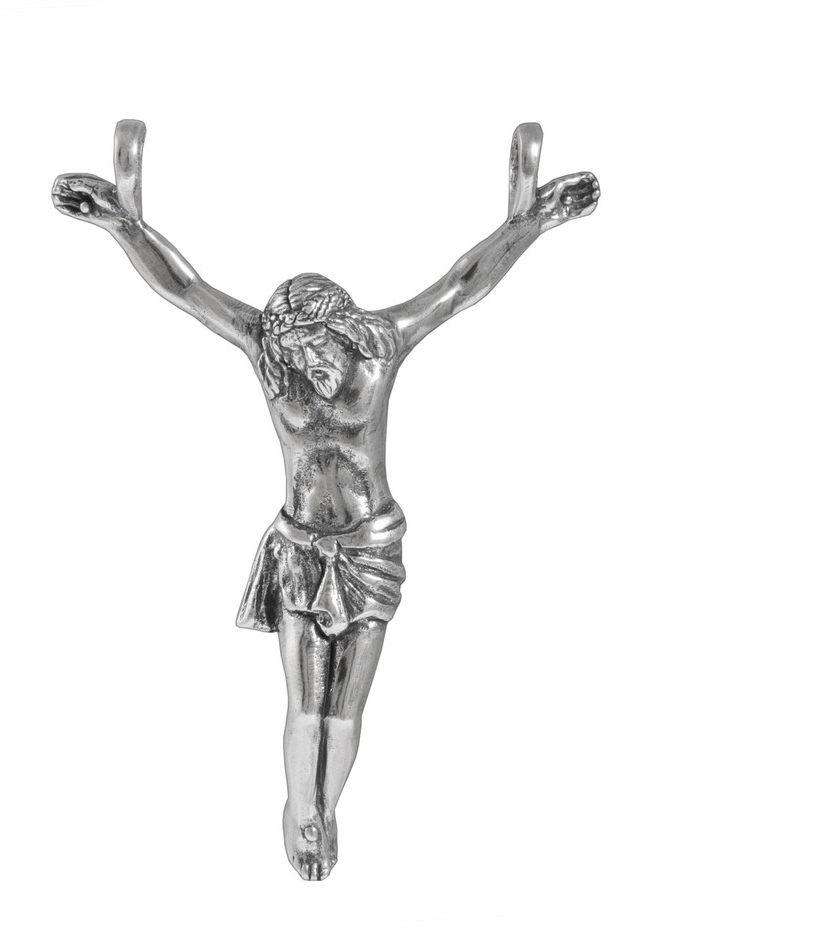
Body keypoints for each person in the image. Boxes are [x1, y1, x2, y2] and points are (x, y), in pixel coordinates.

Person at [52, 120, 599, 879]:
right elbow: (186, 291)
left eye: (307, 349)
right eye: (286, 352)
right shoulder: (267, 351)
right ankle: (300, 810)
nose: (295, 364)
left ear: (337, 330)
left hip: (370, 549)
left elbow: (460, 286)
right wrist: (124, 227)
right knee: (304, 703)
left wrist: (528, 225)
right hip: (299, 549)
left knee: (345, 708)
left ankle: (328, 805)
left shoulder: (383, 343)